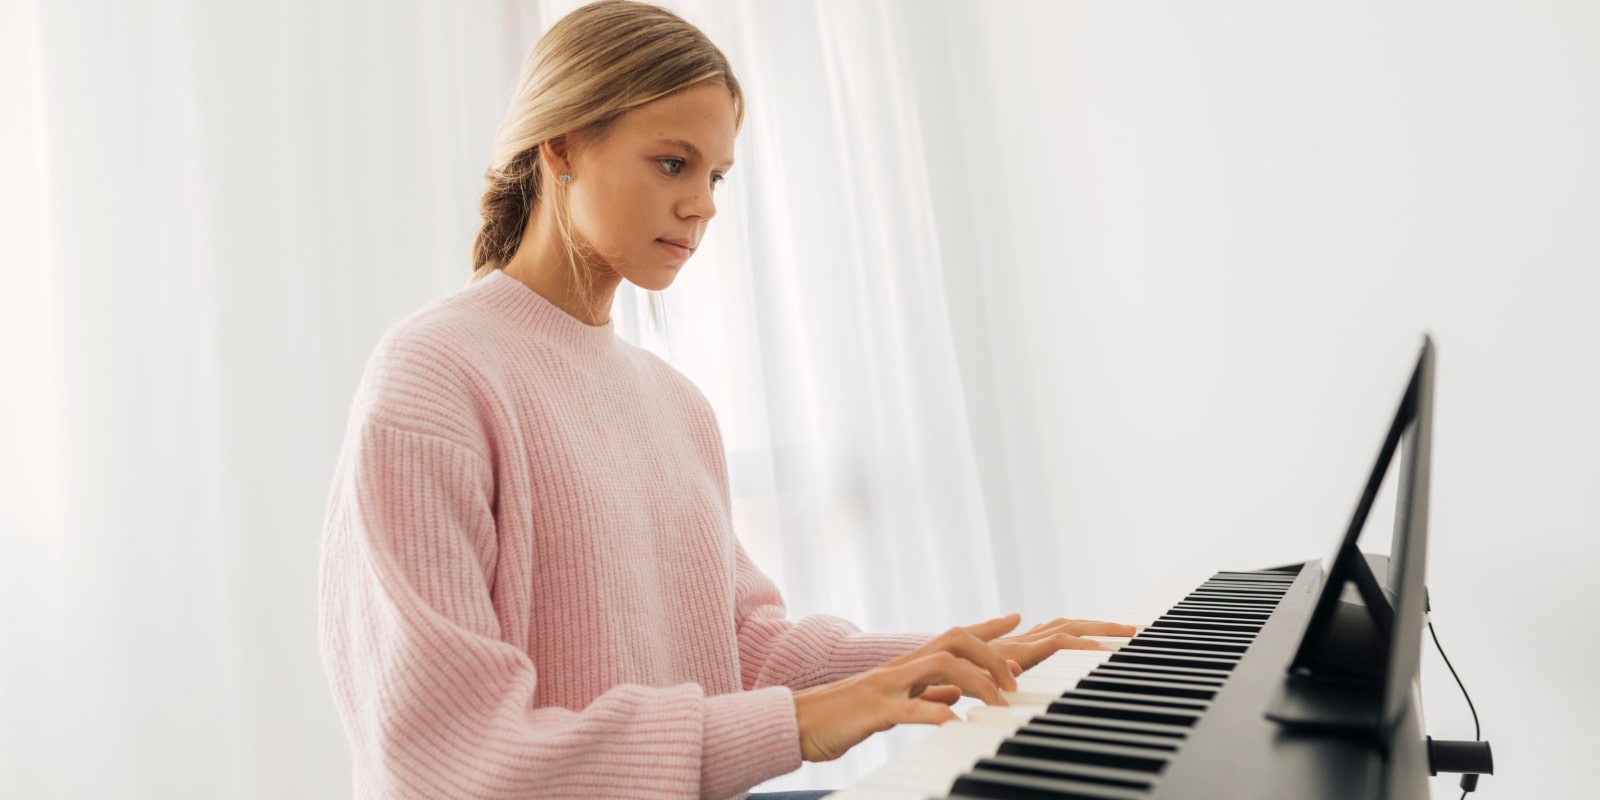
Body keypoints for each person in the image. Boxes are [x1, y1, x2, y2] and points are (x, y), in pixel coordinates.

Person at [317, 2, 1133, 798]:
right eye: (673, 163)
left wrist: (953, 657)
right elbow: (447, 754)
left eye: (715, 175)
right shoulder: (435, 375)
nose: (703, 203)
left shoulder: (675, 403)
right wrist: (801, 722)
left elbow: (740, 650)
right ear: (561, 145)